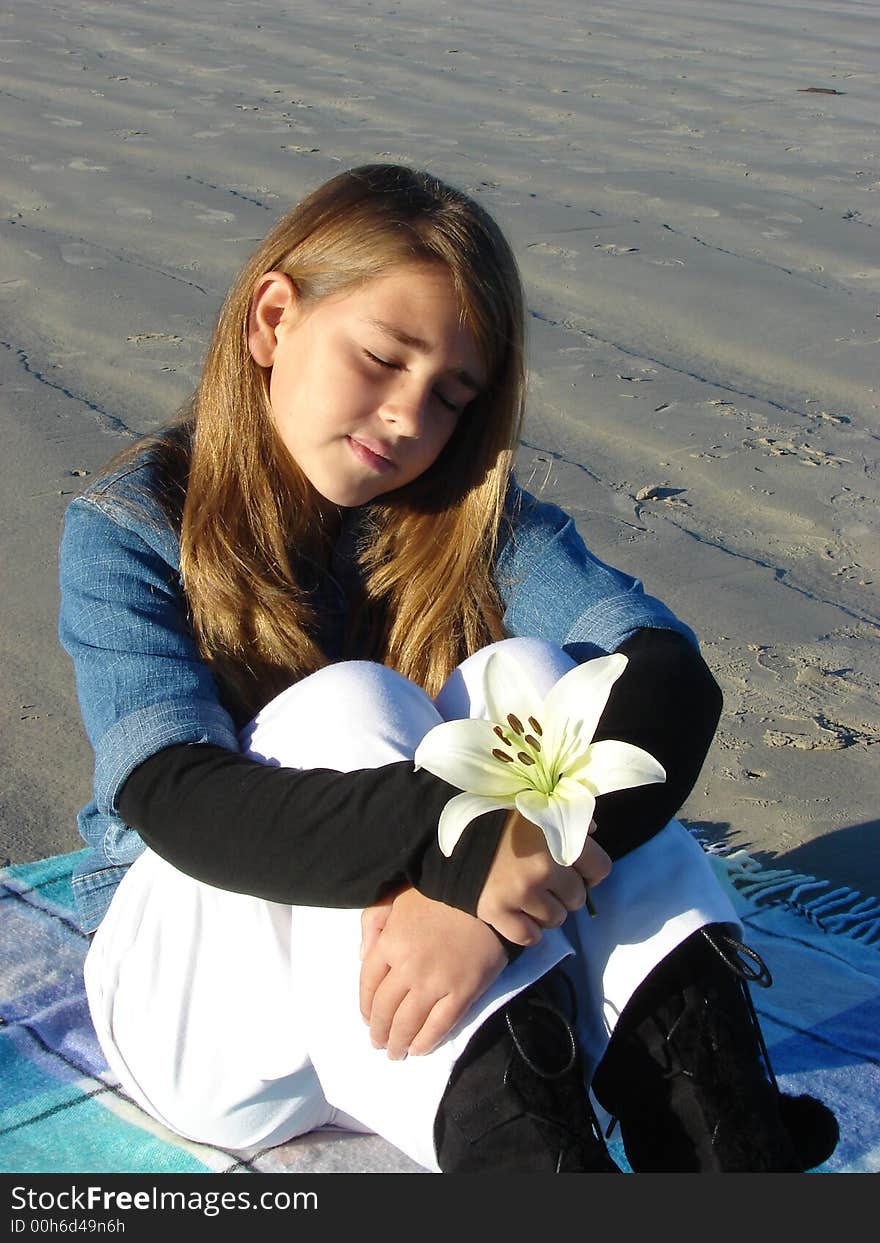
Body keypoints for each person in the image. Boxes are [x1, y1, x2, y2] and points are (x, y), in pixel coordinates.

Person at [59, 163, 838, 1174]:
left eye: (450, 396)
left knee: (543, 682)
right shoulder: (129, 526)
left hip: (430, 987)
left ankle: (716, 1132)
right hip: (206, 1026)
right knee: (351, 702)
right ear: (272, 318)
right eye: (381, 358)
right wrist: (459, 850)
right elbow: (177, 798)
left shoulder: (470, 522)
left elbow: (666, 675)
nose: (407, 418)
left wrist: (503, 870)